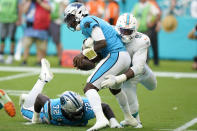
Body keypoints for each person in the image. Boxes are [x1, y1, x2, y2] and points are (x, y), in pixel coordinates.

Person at [63, 2, 138, 131]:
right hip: (121, 56)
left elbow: (102, 43)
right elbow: (99, 54)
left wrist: (82, 54)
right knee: (115, 89)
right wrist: (87, 61)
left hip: (116, 55)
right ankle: (129, 118)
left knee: (89, 87)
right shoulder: (90, 22)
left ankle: (101, 119)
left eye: (70, 18)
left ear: (78, 15)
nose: (69, 22)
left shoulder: (87, 21)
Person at [19, 58, 121, 128]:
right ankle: (42, 80)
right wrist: (36, 118)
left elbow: (105, 106)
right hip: (44, 115)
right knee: (24, 110)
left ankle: (29, 95)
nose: (79, 115)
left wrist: (113, 121)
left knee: (28, 104)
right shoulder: (53, 108)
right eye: (76, 113)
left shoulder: (87, 107)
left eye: (80, 111)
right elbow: (40, 98)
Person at [101, 13, 157, 128]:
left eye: (129, 31)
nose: (125, 34)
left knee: (153, 86)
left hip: (140, 71)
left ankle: (133, 120)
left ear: (135, 30)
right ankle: (135, 121)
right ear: (117, 28)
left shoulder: (142, 40)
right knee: (130, 98)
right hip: (124, 72)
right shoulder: (110, 32)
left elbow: (138, 67)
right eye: (123, 30)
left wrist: (118, 78)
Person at [21, 0, 51, 66]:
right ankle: (24, 60)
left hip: (41, 27)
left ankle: (39, 61)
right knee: (27, 45)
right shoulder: (29, 2)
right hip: (30, 27)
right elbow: (24, 11)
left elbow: (49, 8)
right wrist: (29, 2)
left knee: (40, 46)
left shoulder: (44, 2)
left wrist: (39, 2)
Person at [132, 0, 160, 65]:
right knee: (140, 46)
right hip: (138, 29)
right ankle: (143, 61)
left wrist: (152, 23)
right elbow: (133, 15)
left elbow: (158, 14)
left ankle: (149, 62)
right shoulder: (136, 6)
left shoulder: (150, 5)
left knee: (147, 45)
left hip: (147, 29)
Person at [48, 0, 65, 65]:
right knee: (43, 40)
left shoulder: (58, 2)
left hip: (55, 22)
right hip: (47, 21)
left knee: (57, 41)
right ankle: (42, 60)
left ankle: (61, 59)